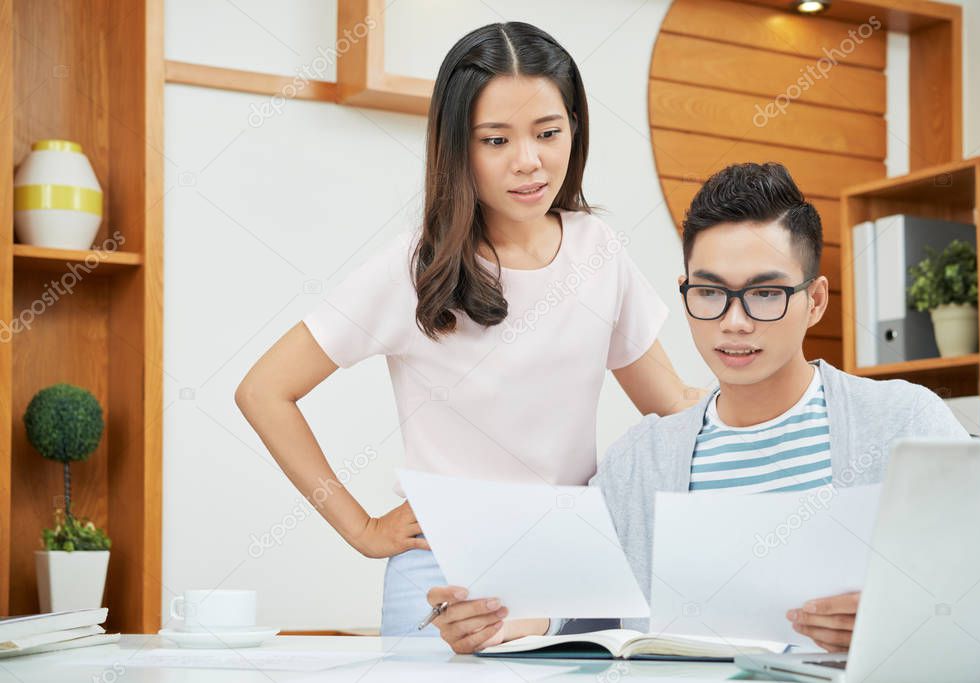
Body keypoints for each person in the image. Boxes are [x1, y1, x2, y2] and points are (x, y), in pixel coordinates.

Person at [234, 22, 703, 637]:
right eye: (495, 139)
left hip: (573, 571)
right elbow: (263, 391)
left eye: (547, 132)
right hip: (448, 576)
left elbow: (670, 405)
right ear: (458, 146)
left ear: (574, 129)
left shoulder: (598, 250)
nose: (528, 161)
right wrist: (363, 529)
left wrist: (789, 398)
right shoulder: (416, 268)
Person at [427, 162, 970, 653]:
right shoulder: (640, 461)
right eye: (709, 293)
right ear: (684, 291)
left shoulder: (904, 423)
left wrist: (899, 618)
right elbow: (568, 601)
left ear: (816, 301)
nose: (734, 322)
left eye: (765, 293)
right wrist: (501, 621)